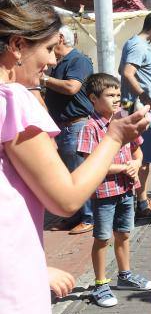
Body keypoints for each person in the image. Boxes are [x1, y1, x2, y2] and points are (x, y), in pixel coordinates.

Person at [0, 0, 149, 314]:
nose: (51, 61)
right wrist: (115, 136)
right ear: (16, 45)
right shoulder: (12, 102)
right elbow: (65, 199)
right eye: (48, 48)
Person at [78, 73, 151, 307]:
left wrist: (135, 162)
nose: (116, 99)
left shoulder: (124, 118)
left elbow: (137, 150)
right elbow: (91, 163)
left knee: (124, 234)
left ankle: (125, 275)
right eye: (109, 95)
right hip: (104, 193)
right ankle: (100, 283)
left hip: (126, 189)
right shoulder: (90, 128)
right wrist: (124, 166)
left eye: (118, 95)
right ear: (93, 98)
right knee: (102, 238)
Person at [43, 24, 95, 235]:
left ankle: (88, 216)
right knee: (68, 174)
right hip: (63, 127)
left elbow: (72, 87)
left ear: (61, 40)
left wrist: (44, 79)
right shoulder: (59, 63)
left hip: (76, 125)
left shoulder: (77, 60)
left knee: (79, 172)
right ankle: (75, 216)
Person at [119, 10, 151, 218]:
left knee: (140, 157)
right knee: (141, 158)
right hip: (140, 110)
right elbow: (127, 73)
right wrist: (147, 98)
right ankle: (141, 204)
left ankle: (140, 200)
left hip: (135, 107)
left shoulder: (136, 44)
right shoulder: (138, 45)